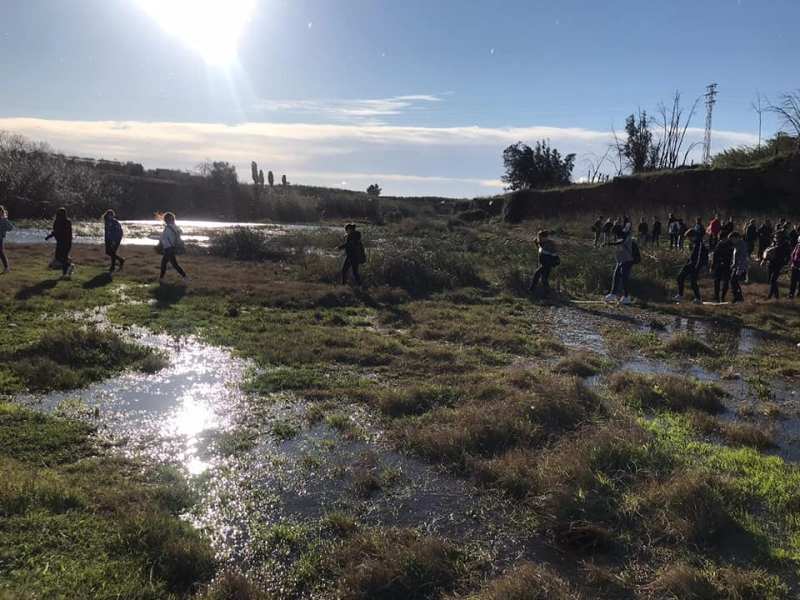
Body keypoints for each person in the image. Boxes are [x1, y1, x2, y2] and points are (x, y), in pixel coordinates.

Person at [674, 230, 707, 304]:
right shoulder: (694, 243)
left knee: (693, 282)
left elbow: (698, 257)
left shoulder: (699, 244)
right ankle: (680, 295)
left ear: (693, 236)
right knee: (680, 278)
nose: (689, 239)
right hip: (690, 264)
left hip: (695, 266)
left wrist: (695, 267)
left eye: (689, 238)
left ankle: (698, 298)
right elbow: (692, 256)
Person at [605, 228, 635, 305]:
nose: (613, 235)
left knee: (624, 278)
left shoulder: (625, 237)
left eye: (614, 233)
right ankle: (613, 294)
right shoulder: (620, 237)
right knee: (616, 275)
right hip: (621, 261)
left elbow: (621, 242)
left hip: (628, 260)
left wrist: (609, 243)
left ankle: (626, 297)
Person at [45, 207, 75, 279]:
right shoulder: (65, 221)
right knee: (61, 257)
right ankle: (67, 270)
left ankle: (68, 269)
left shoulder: (61, 222)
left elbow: (57, 231)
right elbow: (57, 231)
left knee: (61, 258)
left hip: (63, 242)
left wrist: (50, 236)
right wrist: (50, 236)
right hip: (64, 242)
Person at [158, 212, 188, 282]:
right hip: (169, 248)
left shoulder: (169, 227)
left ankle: (185, 277)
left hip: (169, 248)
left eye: (165, 219)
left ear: (167, 220)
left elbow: (165, 237)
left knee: (174, 264)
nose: (164, 220)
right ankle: (161, 278)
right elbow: (179, 232)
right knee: (164, 264)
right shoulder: (174, 227)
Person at [763, 230, 791, 300]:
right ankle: (776, 296)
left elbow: (788, 255)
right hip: (771, 263)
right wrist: (764, 259)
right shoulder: (774, 242)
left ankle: (770, 296)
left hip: (779, 264)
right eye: (776, 236)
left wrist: (786, 264)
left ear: (782, 236)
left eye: (778, 236)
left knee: (773, 279)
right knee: (771, 280)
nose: (776, 237)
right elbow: (769, 251)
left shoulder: (785, 244)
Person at [530, 230, 559, 295]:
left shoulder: (550, 244)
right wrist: (537, 243)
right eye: (539, 237)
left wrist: (550, 263)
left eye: (541, 237)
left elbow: (554, 255)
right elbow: (540, 248)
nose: (539, 239)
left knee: (537, 274)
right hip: (542, 263)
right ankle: (547, 293)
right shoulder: (541, 243)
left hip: (547, 264)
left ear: (545, 237)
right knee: (544, 279)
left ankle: (531, 290)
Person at [710, 231, 733, 303]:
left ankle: (723, 297)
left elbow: (732, 256)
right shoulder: (719, 244)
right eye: (720, 239)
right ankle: (716, 296)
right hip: (718, 265)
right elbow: (715, 255)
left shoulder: (730, 245)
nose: (721, 240)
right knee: (717, 280)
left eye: (723, 239)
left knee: (726, 281)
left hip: (727, 265)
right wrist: (712, 266)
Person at [729, 232, 748, 303]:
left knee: (735, 282)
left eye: (732, 239)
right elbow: (735, 257)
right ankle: (737, 297)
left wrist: (739, 270)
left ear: (736, 237)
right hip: (736, 267)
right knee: (733, 282)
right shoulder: (736, 245)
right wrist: (733, 264)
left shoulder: (742, 245)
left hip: (740, 267)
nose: (732, 241)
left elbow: (742, 258)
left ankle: (739, 298)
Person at [0, 205, 14, 273]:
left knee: (1, 253)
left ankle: (7, 268)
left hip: (0, 238)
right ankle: (6, 268)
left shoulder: (4, 220)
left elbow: (11, 228)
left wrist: (5, 220)